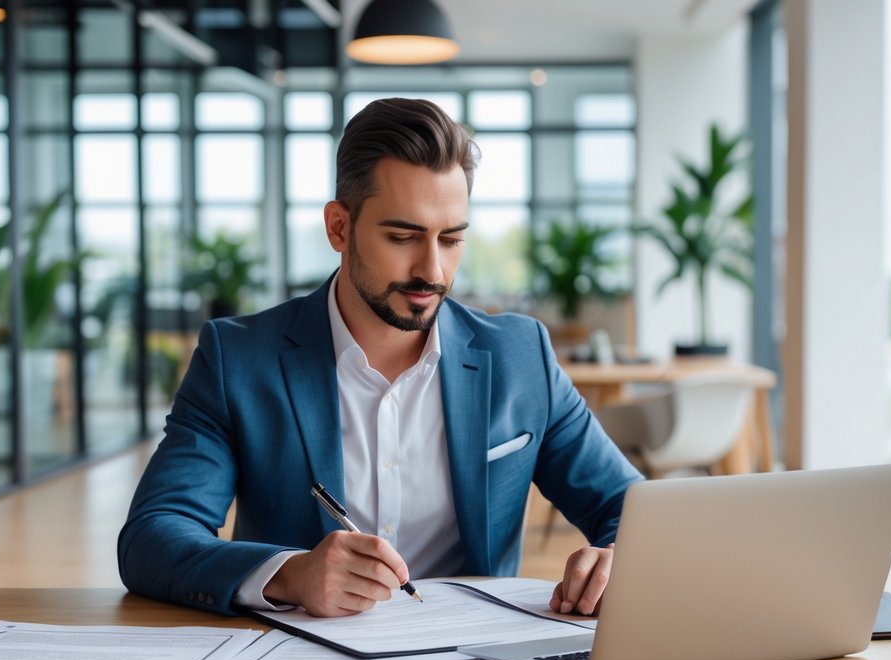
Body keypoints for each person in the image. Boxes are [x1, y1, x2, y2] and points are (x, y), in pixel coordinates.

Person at [118, 97, 641, 619]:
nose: (431, 270)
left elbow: (631, 508)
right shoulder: (239, 359)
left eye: (451, 238)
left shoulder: (519, 355)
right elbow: (153, 535)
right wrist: (291, 574)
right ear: (339, 228)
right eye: (402, 236)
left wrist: (620, 558)